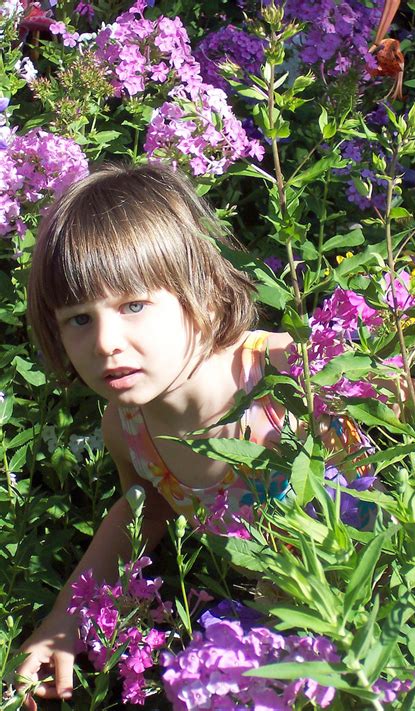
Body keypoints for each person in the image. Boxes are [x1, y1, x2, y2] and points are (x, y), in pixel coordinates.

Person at [17, 162, 372, 709]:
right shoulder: (126, 427)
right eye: (78, 319)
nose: (106, 341)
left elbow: (397, 461)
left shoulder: (285, 372)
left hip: (385, 590)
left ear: (203, 296)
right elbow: (146, 506)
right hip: (283, 615)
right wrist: (69, 612)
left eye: (133, 305)